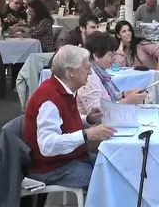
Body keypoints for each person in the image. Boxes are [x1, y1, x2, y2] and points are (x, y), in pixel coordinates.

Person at [22, 45, 116, 188]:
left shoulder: (63, 90)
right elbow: (47, 145)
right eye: (86, 68)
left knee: (115, 167)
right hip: (51, 167)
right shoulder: (49, 97)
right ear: (71, 72)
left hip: (70, 158)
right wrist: (86, 135)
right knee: (107, 183)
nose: (90, 72)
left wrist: (89, 120)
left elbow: (64, 123)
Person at [77, 32, 147, 115]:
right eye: (111, 55)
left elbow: (108, 97)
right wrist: (127, 101)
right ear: (96, 56)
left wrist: (124, 94)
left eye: (114, 54)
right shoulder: (89, 78)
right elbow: (97, 114)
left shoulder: (101, 73)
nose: (114, 59)